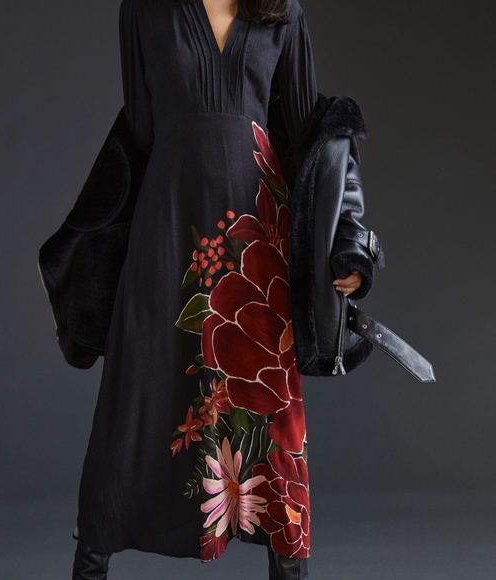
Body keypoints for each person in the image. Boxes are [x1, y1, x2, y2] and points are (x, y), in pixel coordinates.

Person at [71, 1, 363, 579]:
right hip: (166, 231)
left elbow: (313, 134)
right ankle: (90, 562)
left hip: (258, 240)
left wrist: (349, 238)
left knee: (271, 410)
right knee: (135, 397)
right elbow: (139, 132)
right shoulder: (144, 10)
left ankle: (290, 569)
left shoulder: (282, 11)